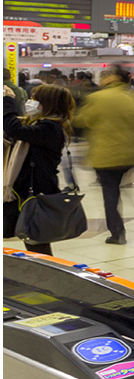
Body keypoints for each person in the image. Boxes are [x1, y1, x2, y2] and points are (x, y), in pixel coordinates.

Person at [73, 64, 134, 245]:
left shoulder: (98, 98)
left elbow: (82, 120)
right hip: (130, 153)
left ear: (112, 78)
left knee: (110, 194)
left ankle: (117, 233)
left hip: (105, 155)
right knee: (121, 190)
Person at [3, 84, 76, 255]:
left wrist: (8, 101)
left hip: (36, 192)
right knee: (33, 240)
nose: (31, 102)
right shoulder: (40, 124)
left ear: (47, 103)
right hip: (26, 189)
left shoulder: (50, 128)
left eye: (35, 99)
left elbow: (15, 129)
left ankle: (46, 275)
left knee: (36, 241)